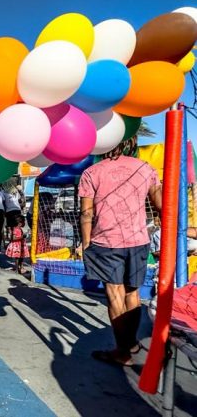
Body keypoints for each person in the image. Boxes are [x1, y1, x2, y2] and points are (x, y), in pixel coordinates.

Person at [79, 137, 161, 367]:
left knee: (114, 294)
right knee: (132, 294)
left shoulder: (91, 172)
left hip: (107, 241)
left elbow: (87, 213)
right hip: (137, 239)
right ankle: (131, 343)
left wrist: (86, 244)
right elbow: (160, 203)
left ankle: (122, 351)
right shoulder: (145, 169)